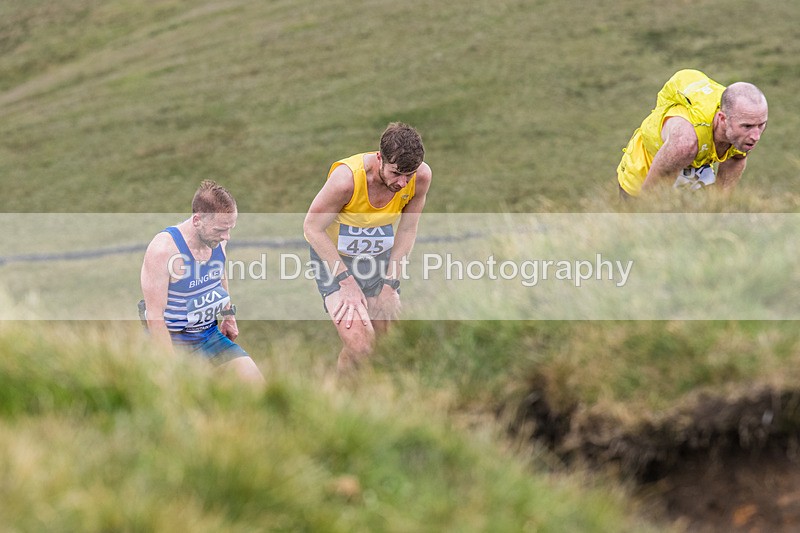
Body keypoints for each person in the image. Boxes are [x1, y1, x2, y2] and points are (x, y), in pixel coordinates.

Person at [303, 122, 432, 373]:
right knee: (362, 347)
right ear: (379, 158)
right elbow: (312, 228)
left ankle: (339, 391)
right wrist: (346, 282)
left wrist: (390, 284)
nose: (403, 183)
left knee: (389, 346)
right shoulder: (346, 180)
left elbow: (407, 230)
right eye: (396, 173)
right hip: (334, 260)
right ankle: (339, 403)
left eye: (410, 174)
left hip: (377, 262)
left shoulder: (421, 177)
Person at [140, 180, 265, 385]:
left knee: (258, 387)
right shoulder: (163, 250)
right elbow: (155, 316)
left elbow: (219, 275)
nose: (227, 237)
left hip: (209, 336)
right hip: (174, 342)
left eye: (230, 228)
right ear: (197, 219)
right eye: (220, 230)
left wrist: (228, 315)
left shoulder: (216, 240)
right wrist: (170, 366)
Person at [617, 69, 768, 197]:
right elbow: (648, 200)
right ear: (722, 119)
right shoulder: (685, 142)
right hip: (646, 171)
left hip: (694, 166)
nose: (756, 136)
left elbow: (736, 159)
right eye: (747, 126)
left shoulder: (740, 123)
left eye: (761, 125)